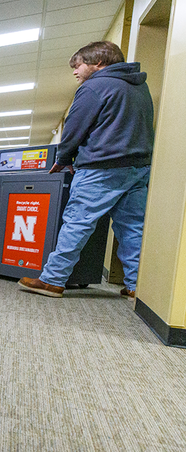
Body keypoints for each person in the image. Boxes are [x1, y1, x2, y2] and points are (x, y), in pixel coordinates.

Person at [18, 41, 154, 299]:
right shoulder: (140, 87)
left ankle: (52, 280)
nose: (74, 72)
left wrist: (63, 157)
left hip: (100, 168)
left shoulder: (94, 87)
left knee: (77, 224)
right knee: (132, 228)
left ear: (98, 63)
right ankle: (136, 285)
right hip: (137, 168)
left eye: (78, 65)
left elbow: (74, 128)